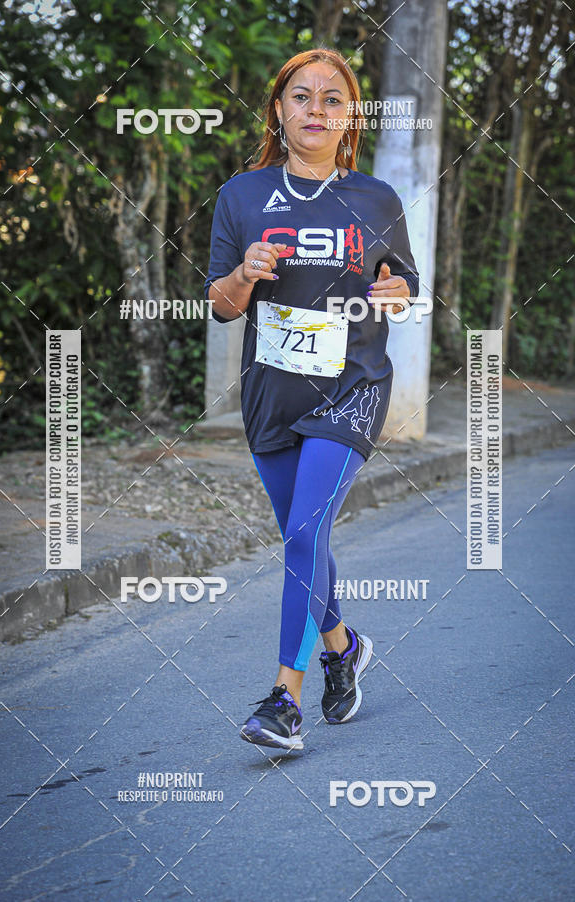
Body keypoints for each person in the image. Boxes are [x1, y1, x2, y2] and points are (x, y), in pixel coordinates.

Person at [204, 48, 419, 751]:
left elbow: (402, 283)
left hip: (351, 388)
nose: (317, 109)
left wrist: (397, 291)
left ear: (349, 115)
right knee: (304, 542)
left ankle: (282, 703)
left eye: (333, 98)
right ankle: (344, 646)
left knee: (304, 534)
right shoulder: (241, 197)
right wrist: (244, 272)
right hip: (270, 394)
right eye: (303, 96)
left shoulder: (376, 200)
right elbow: (222, 304)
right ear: (280, 109)